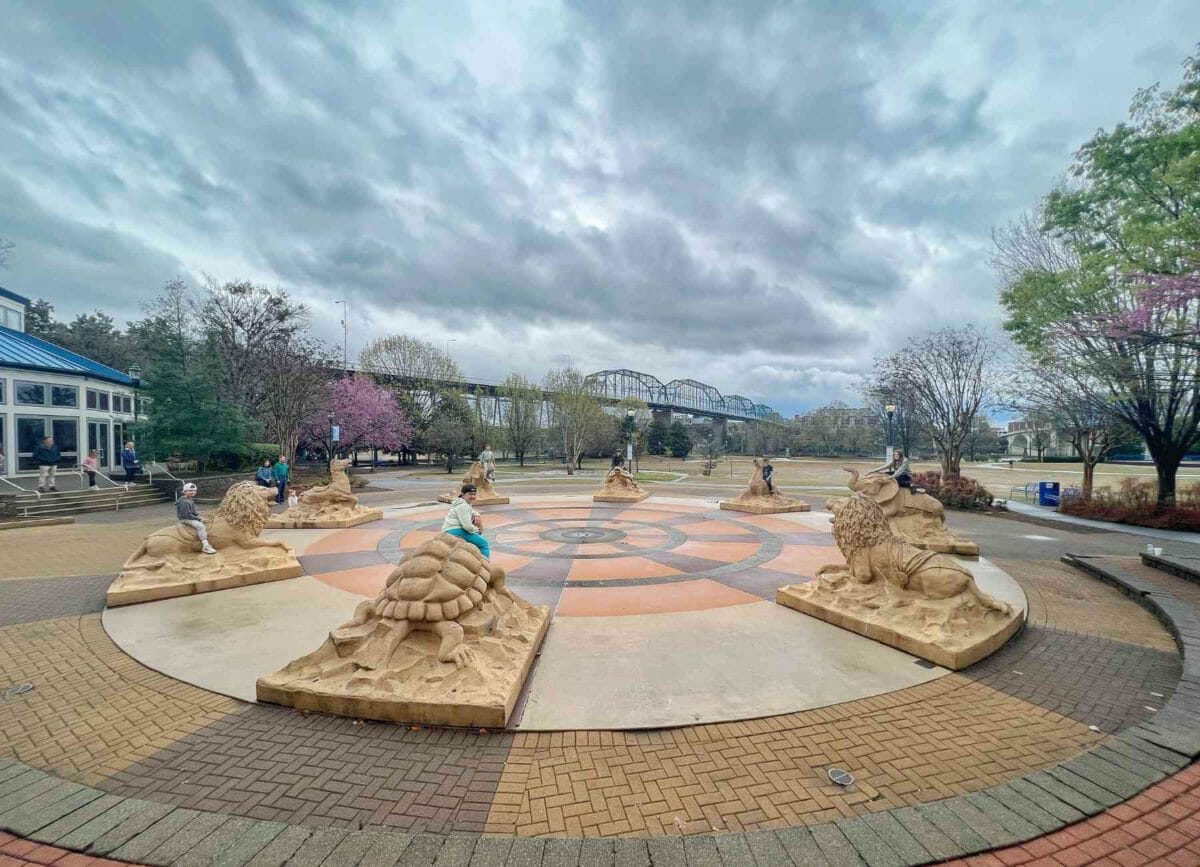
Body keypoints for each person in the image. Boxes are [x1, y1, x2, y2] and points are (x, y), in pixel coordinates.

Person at [441, 483, 490, 558]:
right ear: (463, 494)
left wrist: (476, 515)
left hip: (449, 529)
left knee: (476, 538)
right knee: (483, 544)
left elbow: (471, 511)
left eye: (474, 494)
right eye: (470, 494)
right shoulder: (463, 506)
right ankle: (486, 566)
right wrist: (477, 530)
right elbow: (467, 526)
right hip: (455, 530)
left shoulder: (461, 503)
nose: (473, 496)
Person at [177, 482, 217, 554]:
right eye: (190, 490)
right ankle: (206, 546)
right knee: (201, 526)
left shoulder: (189, 499)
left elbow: (193, 512)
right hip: (185, 519)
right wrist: (199, 519)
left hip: (190, 516)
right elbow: (187, 515)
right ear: (185, 492)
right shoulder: (185, 502)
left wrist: (201, 515)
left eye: (194, 490)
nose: (192, 492)